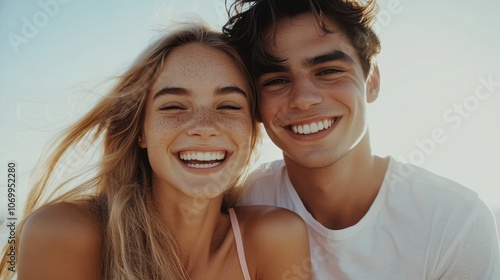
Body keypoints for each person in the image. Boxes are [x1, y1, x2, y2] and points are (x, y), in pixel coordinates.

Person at [0, 24, 311, 280]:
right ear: (140, 131)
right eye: (173, 106)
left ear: (251, 131)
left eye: (228, 106)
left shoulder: (275, 238)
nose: (204, 127)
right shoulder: (64, 234)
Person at [223, 0, 500, 279]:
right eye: (276, 81)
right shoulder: (237, 206)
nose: (304, 99)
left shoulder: (456, 223)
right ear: (255, 106)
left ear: (372, 82)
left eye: (328, 71)